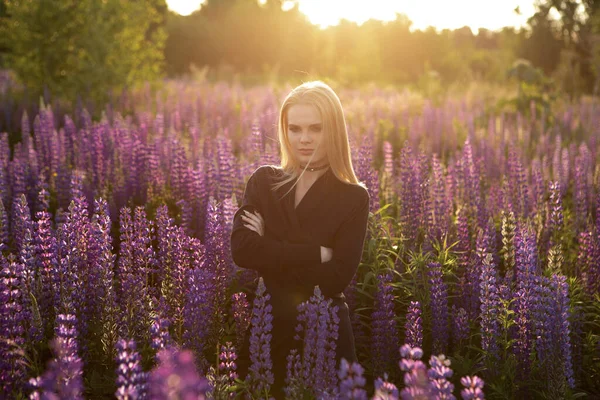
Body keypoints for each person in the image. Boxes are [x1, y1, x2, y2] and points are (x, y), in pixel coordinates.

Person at [230, 80, 370, 399]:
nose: (304, 139)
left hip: (326, 334)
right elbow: (242, 251)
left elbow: (335, 279)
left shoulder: (353, 197)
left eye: (315, 128)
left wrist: (270, 250)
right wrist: (314, 253)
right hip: (268, 334)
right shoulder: (265, 181)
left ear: (333, 130)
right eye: (294, 128)